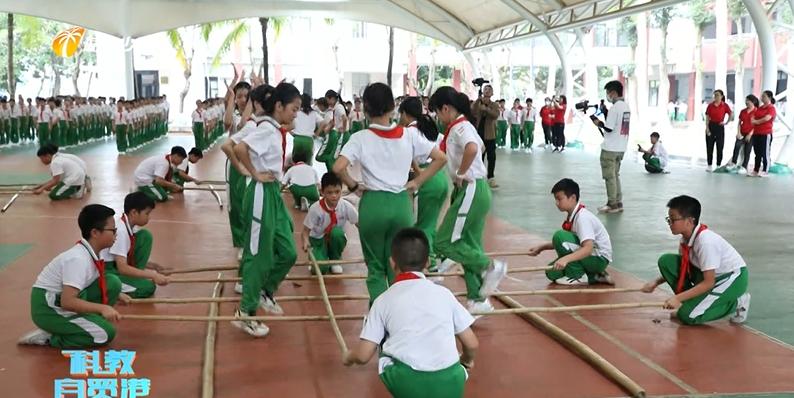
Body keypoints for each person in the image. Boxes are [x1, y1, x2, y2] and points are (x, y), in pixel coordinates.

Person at [333, 82, 446, 304]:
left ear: (365, 109)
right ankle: (398, 318)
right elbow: (441, 158)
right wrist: (417, 182)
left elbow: (338, 168)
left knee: (375, 268)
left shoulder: (361, 138)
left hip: (373, 204)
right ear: (392, 108)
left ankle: (379, 320)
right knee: (398, 266)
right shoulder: (409, 135)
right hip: (400, 203)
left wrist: (354, 185)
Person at [343, 228, 478, 398]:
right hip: (451, 381)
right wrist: (466, 361)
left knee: (384, 342)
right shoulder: (445, 294)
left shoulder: (383, 301)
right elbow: (472, 344)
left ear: (392, 263)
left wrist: (348, 357)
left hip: (409, 382)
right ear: (428, 262)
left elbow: (363, 356)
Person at [429, 86, 507, 316]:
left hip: (471, 188)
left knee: (444, 242)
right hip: (475, 189)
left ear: (446, 108)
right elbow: (479, 145)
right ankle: (477, 298)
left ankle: (489, 266)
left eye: (437, 112)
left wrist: (462, 172)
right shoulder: (460, 127)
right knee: (469, 244)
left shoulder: (460, 127)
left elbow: (473, 148)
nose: (437, 117)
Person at [232, 82, 301, 336]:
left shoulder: (276, 128)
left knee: (288, 251)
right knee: (258, 254)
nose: (296, 114)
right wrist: (253, 174)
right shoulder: (266, 130)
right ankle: (245, 312)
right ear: (280, 106)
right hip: (261, 192)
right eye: (294, 108)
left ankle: (265, 291)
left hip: (273, 192)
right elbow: (239, 148)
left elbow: (290, 124)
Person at [18, 204, 128, 348]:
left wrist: (117, 295)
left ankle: (83, 324)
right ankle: (50, 337)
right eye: (113, 230)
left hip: (62, 300)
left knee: (112, 283)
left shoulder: (90, 252)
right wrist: (102, 308)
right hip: (48, 308)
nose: (116, 234)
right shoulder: (78, 259)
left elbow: (90, 283)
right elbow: (67, 302)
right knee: (104, 334)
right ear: (95, 233)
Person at [641, 195, 750, 325]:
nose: (670, 223)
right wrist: (655, 283)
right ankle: (691, 304)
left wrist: (677, 298)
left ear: (689, 221)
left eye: (673, 219)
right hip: (708, 275)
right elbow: (683, 268)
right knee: (666, 262)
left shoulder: (706, 243)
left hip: (731, 279)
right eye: (668, 219)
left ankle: (738, 302)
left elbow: (709, 282)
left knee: (688, 316)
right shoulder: (685, 239)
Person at [527, 178, 614, 285]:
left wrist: (566, 259)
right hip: (591, 257)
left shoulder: (582, 218)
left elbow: (588, 248)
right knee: (552, 272)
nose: (556, 203)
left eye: (559, 199)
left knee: (559, 236)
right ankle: (595, 276)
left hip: (598, 258)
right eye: (556, 199)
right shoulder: (572, 216)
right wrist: (541, 248)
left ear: (572, 197)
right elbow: (568, 243)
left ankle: (577, 276)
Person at [400, 96, 449, 274]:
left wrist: (416, 172)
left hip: (426, 176)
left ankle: (433, 263)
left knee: (422, 225)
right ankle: (437, 253)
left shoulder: (409, 133)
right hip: (440, 177)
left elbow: (410, 155)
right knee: (431, 222)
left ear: (404, 114)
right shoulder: (428, 126)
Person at [99, 192, 170, 299]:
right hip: (107, 271)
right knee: (148, 287)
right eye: (147, 213)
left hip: (115, 266)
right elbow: (122, 268)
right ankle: (111, 290)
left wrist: (154, 267)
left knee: (145, 236)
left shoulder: (130, 227)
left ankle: (134, 277)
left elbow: (126, 256)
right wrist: (153, 275)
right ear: (134, 212)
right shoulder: (121, 231)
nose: (149, 217)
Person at [301, 172, 358, 275]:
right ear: (322, 192)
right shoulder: (315, 209)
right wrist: (305, 242)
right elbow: (305, 232)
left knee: (337, 233)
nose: (334, 196)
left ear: (342, 190)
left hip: (334, 237)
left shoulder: (346, 206)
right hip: (317, 240)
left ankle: (335, 260)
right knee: (320, 270)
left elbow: (359, 224)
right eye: (329, 192)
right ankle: (317, 258)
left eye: (337, 191)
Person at [591, 80, 630, 214]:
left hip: (610, 148)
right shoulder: (625, 107)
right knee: (615, 175)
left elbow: (608, 128)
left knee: (609, 177)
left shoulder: (615, 108)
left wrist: (598, 123)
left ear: (613, 93)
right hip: (621, 147)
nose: (607, 96)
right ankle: (618, 202)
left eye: (608, 93)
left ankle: (611, 204)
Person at [471, 85, 500, 188]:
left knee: (491, 157)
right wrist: (478, 100)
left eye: (489, 90)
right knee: (479, 157)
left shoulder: (494, 105)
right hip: (479, 134)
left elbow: (496, 114)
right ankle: (480, 176)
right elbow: (472, 111)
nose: (487, 92)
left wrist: (486, 109)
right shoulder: (478, 103)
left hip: (490, 134)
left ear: (492, 93)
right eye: (485, 90)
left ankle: (491, 177)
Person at [726, 94, 758, 174]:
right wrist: (738, 132)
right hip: (742, 132)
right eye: (746, 100)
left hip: (751, 134)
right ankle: (733, 163)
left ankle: (744, 166)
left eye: (748, 101)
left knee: (747, 150)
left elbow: (757, 124)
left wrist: (750, 134)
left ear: (753, 102)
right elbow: (740, 122)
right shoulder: (743, 111)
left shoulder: (757, 111)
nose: (746, 102)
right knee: (737, 146)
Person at [749, 90, 776, 177]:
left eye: (764, 96)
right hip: (757, 133)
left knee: (765, 152)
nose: (762, 97)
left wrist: (756, 122)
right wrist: (753, 120)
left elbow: (767, 118)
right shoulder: (760, 108)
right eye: (762, 96)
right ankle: (756, 170)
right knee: (757, 153)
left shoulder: (771, 108)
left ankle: (765, 170)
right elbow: (753, 116)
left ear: (769, 98)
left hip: (766, 133)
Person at [704, 90, 733, 172]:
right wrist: (707, 128)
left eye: (717, 95)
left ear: (722, 96)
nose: (716, 97)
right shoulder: (710, 105)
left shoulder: (725, 105)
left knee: (720, 146)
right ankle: (709, 165)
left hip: (720, 126)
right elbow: (707, 117)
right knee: (709, 146)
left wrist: (726, 122)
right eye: (714, 95)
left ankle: (718, 164)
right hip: (711, 126)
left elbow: (731, 113)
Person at [292, 94, 324, 165]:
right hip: (308, 140)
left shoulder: (296, 112)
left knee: (295, 163)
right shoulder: (314, 113)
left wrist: (291, 133)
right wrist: (317, 134)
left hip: (297, 139)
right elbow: (323, 122)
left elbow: (288, 123)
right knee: (307, 164)